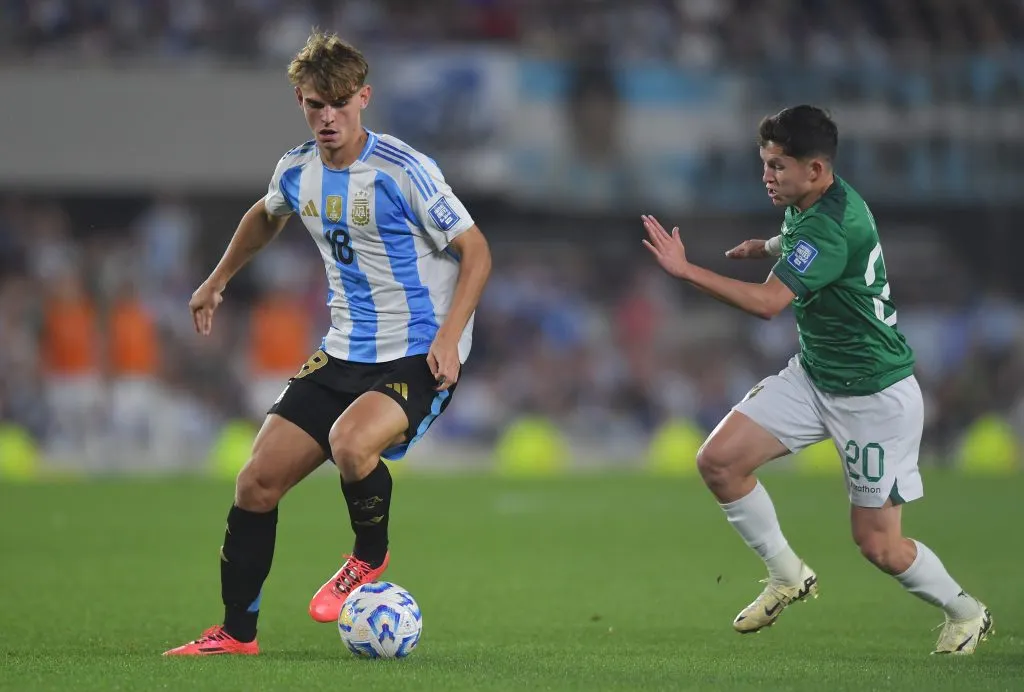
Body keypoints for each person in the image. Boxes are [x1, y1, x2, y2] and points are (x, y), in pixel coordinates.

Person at [164, 31, 492, 656]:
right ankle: (236, 635)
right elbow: (265, 214)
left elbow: (476, 251)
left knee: (350, 441)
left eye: (340, 102)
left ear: (364, 97)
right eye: (316, 104)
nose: (328, 116)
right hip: (343, 350)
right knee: (255, 483)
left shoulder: (403, 170)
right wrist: (216, 281)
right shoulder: (297, 170)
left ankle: (368, 558)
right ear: (301, 102)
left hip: (418, 351)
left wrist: (451, 339)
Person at [640, 105, 992, 655]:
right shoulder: (819, 201)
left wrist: (687, 271)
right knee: (719, 461)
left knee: (879, 547)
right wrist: (769, 246)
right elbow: (804, 241)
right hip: (815, 375)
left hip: (875, 397)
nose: (768, 176)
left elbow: (765, 303)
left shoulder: (829, 224)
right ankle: (787, 575)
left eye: (779, 166)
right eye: (765, 163)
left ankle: (967, 611)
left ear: (817, 169)